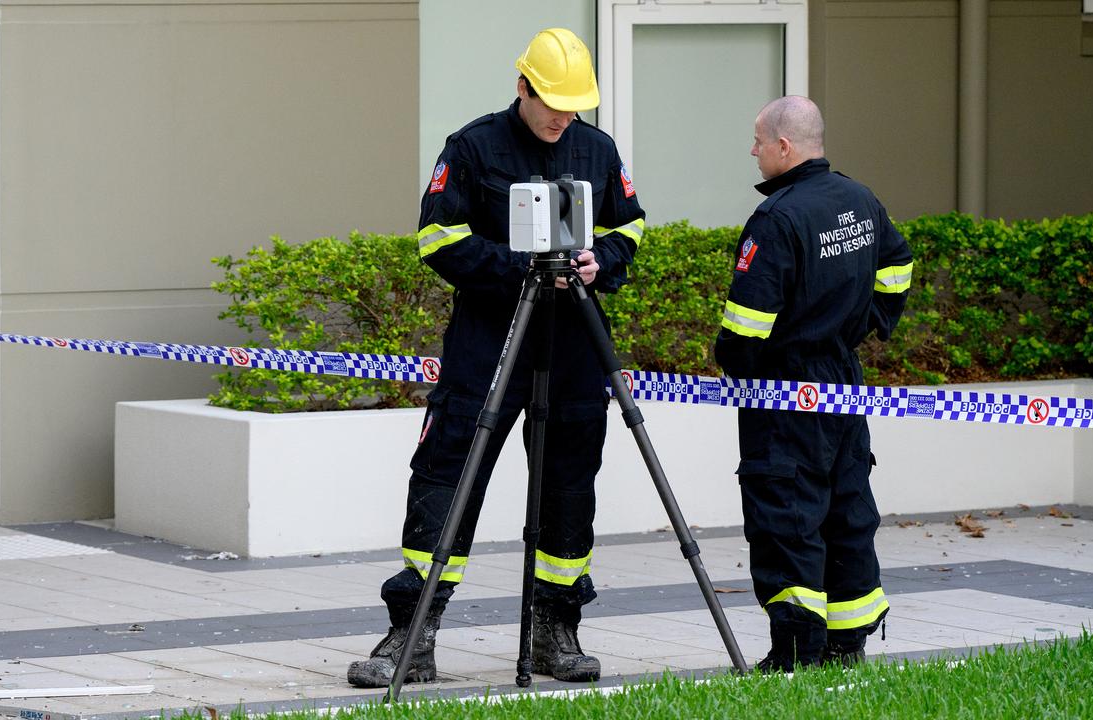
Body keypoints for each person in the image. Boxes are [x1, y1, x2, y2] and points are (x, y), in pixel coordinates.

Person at [347, 28, 645, 688]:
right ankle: (413, 632)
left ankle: (554, 629)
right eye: (553, 104)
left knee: (569, 484)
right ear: (522, 87)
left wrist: (604, 260)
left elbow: (630, 223)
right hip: (490, 338)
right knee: (449, 473)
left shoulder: (597, 149)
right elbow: (437, 236)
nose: (563, 117)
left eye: (574, 106)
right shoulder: (474, 146)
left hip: (572, 342)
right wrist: (518, 270)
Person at [714, 96, 913, 672]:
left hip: (785, 392)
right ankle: (847, 647)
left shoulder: (776, 219)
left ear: (784, 147)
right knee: (846, 509)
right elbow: (898, 265)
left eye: (757, 142)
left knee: (788, 516)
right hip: (843, 384)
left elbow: (746, 326)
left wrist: (737, 369)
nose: (752, 152)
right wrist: (870, 323)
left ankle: (797, 652)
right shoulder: (860, 199)